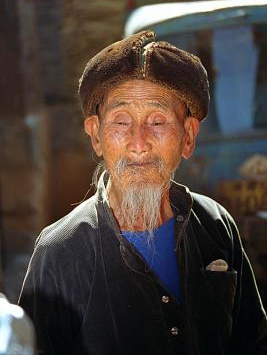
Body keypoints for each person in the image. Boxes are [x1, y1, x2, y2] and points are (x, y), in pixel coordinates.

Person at [19, 30, 267, 355]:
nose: (138, 143)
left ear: (188, 137)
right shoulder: (60, 252)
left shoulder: (215, 225)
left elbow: (253, 342)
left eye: (158, 121)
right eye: (121, 122)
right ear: (96, 136)